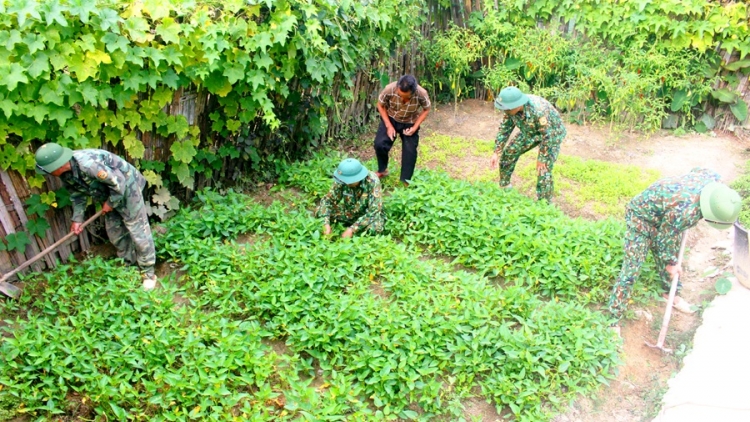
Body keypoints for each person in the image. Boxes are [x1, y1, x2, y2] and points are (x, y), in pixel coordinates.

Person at [608, 168, 741, 330]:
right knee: (632, 268)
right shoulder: (685, 213)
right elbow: (664, 240)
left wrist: (671, 260)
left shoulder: (713, 178)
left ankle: (670, 294)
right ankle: (613, 319)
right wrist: (670, 264)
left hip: (667, 216)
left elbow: (697, 170)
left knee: (673, 256)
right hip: (641, 217)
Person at [34, 143, 157, 290]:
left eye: (48, 171)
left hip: (128, 187)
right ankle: (128, 266)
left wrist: (110, 203)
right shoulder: (66, 174)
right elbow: (77, 195)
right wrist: (77, 219)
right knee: (115, 232)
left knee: (138, 231)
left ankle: (148, 273)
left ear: (56, 166)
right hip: (110, 194)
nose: (47, 174)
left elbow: (118, 183)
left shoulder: (89, 166)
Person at [490, 86, 566, 202]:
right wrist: (497, 152)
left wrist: (542, 158)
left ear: (518, 105)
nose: (504, 111)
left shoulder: (539, 110)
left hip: (552, 133)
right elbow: (505, 129)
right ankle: (505, 186)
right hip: (530, 131)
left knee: (543, 168)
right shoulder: (510, 110)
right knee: (509, 152)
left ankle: (544, 203)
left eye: (506, 109)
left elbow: (547, 135)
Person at [373, 74, 431, 186]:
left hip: (410, 121)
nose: (403, 99)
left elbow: (426, 109)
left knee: (410, 151)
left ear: (413, 92)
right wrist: (388, 126)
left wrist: (414, 128)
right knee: (379, 144)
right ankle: (382, 170)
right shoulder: (389, 88)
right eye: (400, 95)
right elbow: (380, 105)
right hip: (391, 119)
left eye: (407, 97)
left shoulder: (421, 93)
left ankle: (405, 181)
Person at [315, 158, 385, 238]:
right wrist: (326, 224)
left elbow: (374, 210)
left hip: (366, 214)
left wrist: (352, 229)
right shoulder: (341, 179)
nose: (346, 183)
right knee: (319, 210)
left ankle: (356, 230)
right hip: (349, 211)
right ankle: (348, 223)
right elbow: (327, 201)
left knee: (375, 228)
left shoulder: (372, 181)